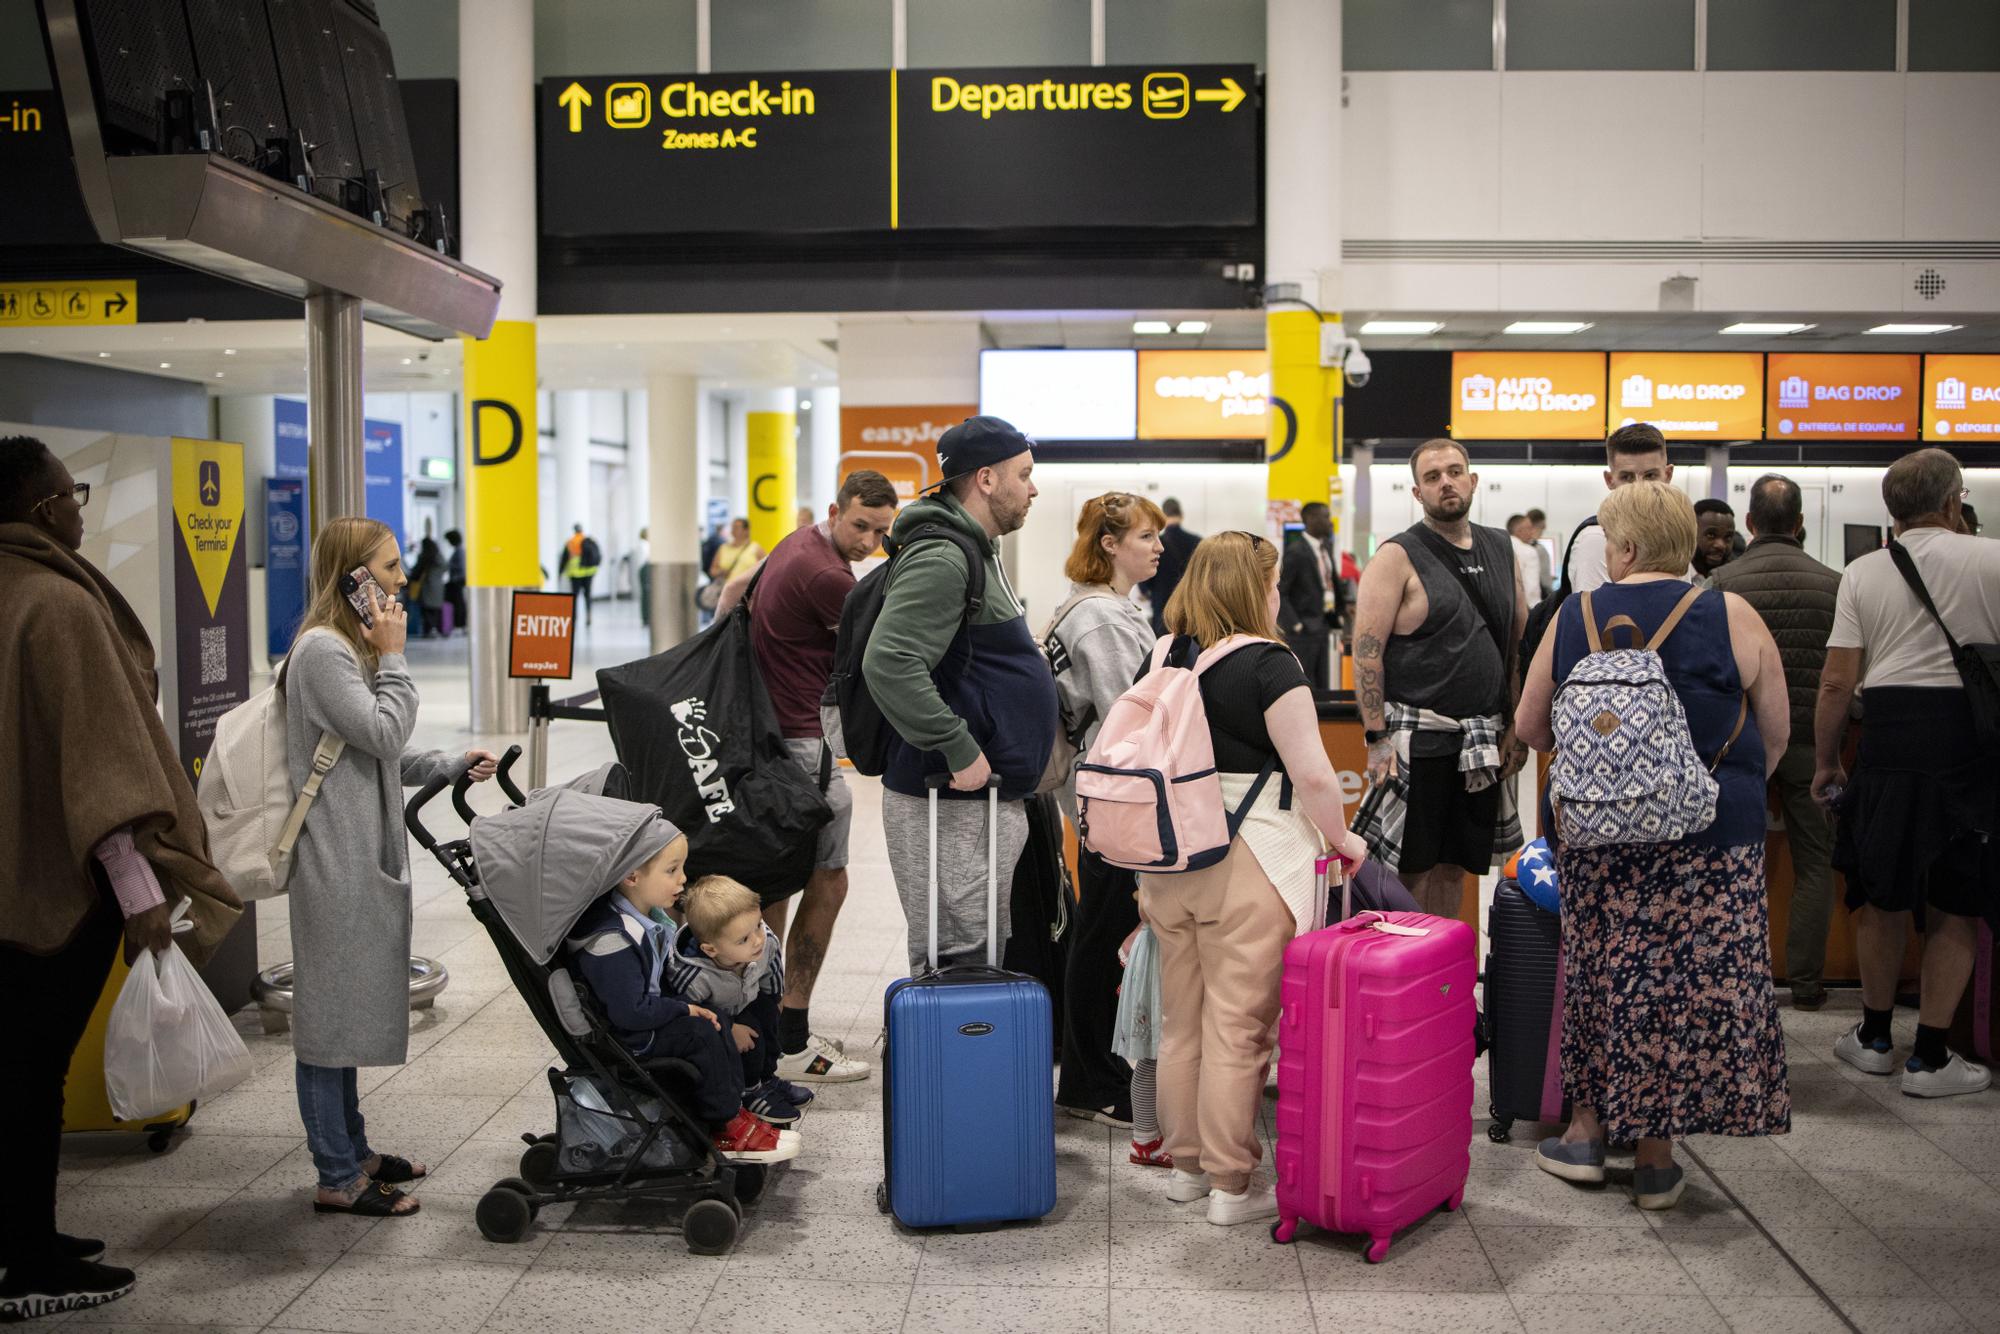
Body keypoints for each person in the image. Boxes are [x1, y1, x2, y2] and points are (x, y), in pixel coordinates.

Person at [0, 436, 240, 1320]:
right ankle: (29, 1265)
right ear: (42, 512)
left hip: (8, 872)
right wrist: (143, 903)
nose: (81, 509)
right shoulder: (58, 607)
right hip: (60, 891)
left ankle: (24, 1232)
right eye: (74, 494)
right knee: (33, 1070)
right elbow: (103, 779)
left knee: (14, 1062)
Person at [1518, 480, 1791, 1210]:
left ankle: (1584, 1131)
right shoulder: (1732, 613)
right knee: (1681, 989)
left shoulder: (1574, 617)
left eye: (1610, 539)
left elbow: (1530, 727)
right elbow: (1776, 733)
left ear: (1628, 547)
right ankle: (1655, 1159)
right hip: (1711, 836)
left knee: (1603, 976)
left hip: (1599, 837)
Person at [1137, 531, 1372, 1226]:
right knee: (1239, 1030)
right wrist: (1342, 837)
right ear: (1254, 589)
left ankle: (1185, 1169)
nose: (1278, 596)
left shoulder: (1165, 651)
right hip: (1250, 861)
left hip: (1169, 858)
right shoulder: (1272, 665)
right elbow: (1312, 774)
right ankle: (1230, 1185)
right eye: (1271, 585)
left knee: (1182, 1023)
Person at [282, 517, 501, 1217]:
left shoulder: (349, 648)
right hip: (332, 856)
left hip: (358, 849)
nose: (402, 580)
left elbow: (372, 750)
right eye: (389, 566)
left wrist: (446, 763)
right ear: (353, 577)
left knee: (344, 1009)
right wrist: (398, 657)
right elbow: (380, 729)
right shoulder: (323, 652)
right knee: (326, 1017)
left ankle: (354, 1150)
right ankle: (336, 1176)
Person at [1815, 449, 1999, 1098]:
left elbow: (1838, 680)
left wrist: (1828, 761)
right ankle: (1930, 1057)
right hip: (1966, 748)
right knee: (1955, 902)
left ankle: (1871, 1039)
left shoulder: (1865, 571)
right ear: (1953, 502)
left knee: (1881, 892)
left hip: (1888, 743)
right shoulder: (1992, 558)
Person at [863, 416, 1057, 973]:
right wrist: (959, 748)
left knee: (974, 945)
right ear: (988, 480)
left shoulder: (974, 548)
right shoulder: (945, 557)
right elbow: (891, 661)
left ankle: (957, 1054)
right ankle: (945, 1056)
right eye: (1024, 474)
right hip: (951, 797)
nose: (1033, 488)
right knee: (957, 952)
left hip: (976, 800)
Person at [747, 470, 898, 1084]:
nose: (869, 541)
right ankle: (792, 1033)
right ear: (837, 511)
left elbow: (737, 593)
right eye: (861, 525)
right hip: (803, 746)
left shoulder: (796, 543)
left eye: (882, 532)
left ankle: (766, 1025)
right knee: (828, 882)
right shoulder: (828, 576)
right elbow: (887, 654)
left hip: (771, 737)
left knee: (782, 882)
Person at [1350, 440, 1527, 918]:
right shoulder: (1397, 556)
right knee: (1409, 868)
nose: (1446, 482)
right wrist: (1376, 737)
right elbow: (1367, 654)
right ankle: (1410, 978)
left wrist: (1515, 725)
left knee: (1457, 867)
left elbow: (1514, 644)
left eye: (1454, 472)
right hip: (1419, 740)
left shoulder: (1502, 547)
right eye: (1433, 477)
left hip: (1482, 738)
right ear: (1416, 492)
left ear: (1472, 481)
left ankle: (1446, 975)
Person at [566, 824, 802, 1162]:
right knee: (703, 1031)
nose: (682, 879)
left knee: (715, 1019)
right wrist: (684, 1010)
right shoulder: (612, 939)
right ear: (632, 877)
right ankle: (726, 1124)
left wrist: (687, 1009)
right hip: (631, 1036)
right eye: (672, 870)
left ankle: (735, 1105)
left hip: (646, 1016)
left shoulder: (645, 919)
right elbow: (629, 1012)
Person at [1045, 493, 1165, 1129]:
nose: (1158, 547)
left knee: (1103, 919)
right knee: (1103, 924)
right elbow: (1134, 713)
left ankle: (1093, 1069)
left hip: (1105, 787)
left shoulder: (1109, 609)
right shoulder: (1103, 619)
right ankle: (1091, 1079)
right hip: (1113, 791)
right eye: (1146, 536)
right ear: (1109, 543)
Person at [1712, 475, 1842, 1010]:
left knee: (1735, 862)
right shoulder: (1835, 584)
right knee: (1816, 864)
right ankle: (1807, 985)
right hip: (1814, 744)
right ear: (1801, 524)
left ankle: (1739, 980)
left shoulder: (1721, 581)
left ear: (1748, 525)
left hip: (1743, 746)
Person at [1567, 423, 1680, 594]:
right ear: (1609, 480)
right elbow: (1593, 615)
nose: (1639, 487)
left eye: (1650, 476)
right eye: (1627, 477)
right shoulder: (1597, 539)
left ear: (1668, 475)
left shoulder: (1674, 534)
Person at [1278, 501, 1340, 690]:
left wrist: (1342, 610)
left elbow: (1331, 582)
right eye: (1326, 516)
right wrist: (1296, 624)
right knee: (1305, 683)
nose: (1330, 522)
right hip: (1303, 631)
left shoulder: (1326, 547)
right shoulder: (1295, 551)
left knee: (1323, 683)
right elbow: (1281, 591)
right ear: (1311, 519)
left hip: (1322, 625)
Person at [1139, 496, 1201, 636]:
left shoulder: (1155, 544)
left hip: (1162, 608)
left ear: (1164, 516)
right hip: (1191, 609)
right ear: (1181, 515)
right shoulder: (1197, 541)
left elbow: (1144, 583)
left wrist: (1146, 592)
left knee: (1163, 650)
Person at [559, 524, 602, 626]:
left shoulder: (571, 542)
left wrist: (560, 572)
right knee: (588, 595)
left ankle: (574, 617)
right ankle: (588, 615)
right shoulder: (589, 540)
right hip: (589, 572)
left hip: (575, 573)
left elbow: (564, 559)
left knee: (575, 596)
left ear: (574, 530)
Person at [1693, 499, 1738, 585]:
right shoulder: (1674, 577)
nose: (1721, 545)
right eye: (1711, 535)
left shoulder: (1738, 579)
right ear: (1691, 533)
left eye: (1728, 537)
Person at [1506, 513, 1544, 610]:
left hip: (1504, 609)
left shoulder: (1499, 547)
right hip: (1525, 609)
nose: (1532, 532)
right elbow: (1532, 589)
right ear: (1519, 531)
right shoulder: (1529, 551)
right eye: (1529, 528)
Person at [413, 535, 446, 638]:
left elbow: (417, 571)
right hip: (438, 585)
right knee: (435, 609)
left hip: (427, 585)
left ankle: (428, 630)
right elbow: (445, 567)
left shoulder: (424, 556)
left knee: (427, 609)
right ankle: (435, 629)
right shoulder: (438, 556)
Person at [1526, 507, 1554, 598]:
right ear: (1543, 524)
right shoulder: (1539, 549)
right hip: (1539, 597)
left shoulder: (1518, 548)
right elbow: (1545, 582)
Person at [443, 528, 466, 635]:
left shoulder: (459, 551)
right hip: (457, 581)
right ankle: (459, 625)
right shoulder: (458, 551)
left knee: (459, 604)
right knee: (459, 603)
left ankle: (459, 625)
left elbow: (461, 567)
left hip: (457, 581)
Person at [632, 526, 651, 628]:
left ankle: (645, 617)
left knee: (645, 594)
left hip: (642, 569)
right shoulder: (645, 545)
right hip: (645, 569)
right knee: (646, 595)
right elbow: (648, 558)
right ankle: (646, 618)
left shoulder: (640, 545)